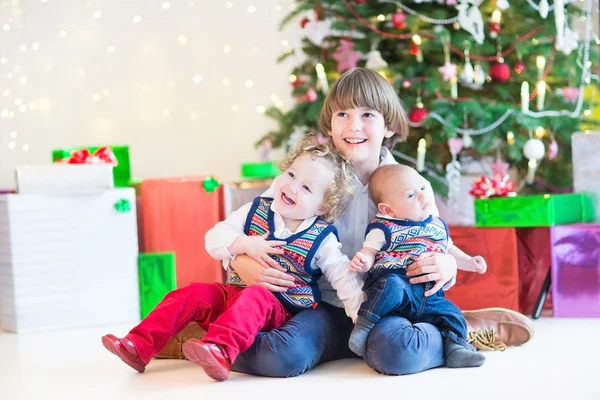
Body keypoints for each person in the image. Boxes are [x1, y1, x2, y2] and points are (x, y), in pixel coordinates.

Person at [214, 68, 535, 377]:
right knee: (279, 357)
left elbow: (436, 242)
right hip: (319, 306)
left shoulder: (410, 184)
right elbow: (252, 225)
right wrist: (240, 259)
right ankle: (212, 337)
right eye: (343, 114)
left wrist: (447, 266)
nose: (354, 125)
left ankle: (459, 332)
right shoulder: (306, 175)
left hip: (388, 305)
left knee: (396, 353)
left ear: (389, 126)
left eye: (367, 115)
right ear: (330, 124)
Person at [101, 136, 365, 381]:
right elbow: (213, 238)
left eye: (306, 187)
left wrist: (360, 319)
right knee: (192, 293)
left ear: (322, 206)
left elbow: (344, 278)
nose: (292, 187)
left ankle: (221, 351)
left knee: (258, 295)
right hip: (235, 291)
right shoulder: (257, 209)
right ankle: (139, 345)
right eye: (291, 174)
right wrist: (244, 244)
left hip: (279, 308)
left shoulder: (322, 238)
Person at [347, 164, 486, 369]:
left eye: (421, 189)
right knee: (391, 286)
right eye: (411, 196)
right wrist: (364, 260)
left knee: (452, 312)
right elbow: (370, 250)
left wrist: (470, 263)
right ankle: (364, 326)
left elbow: (450, 250)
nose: (422, 196)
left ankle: (457, 348)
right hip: (399, 291)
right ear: (388, 209)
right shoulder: (385, 227)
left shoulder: (435, 224)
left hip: (429, 294)